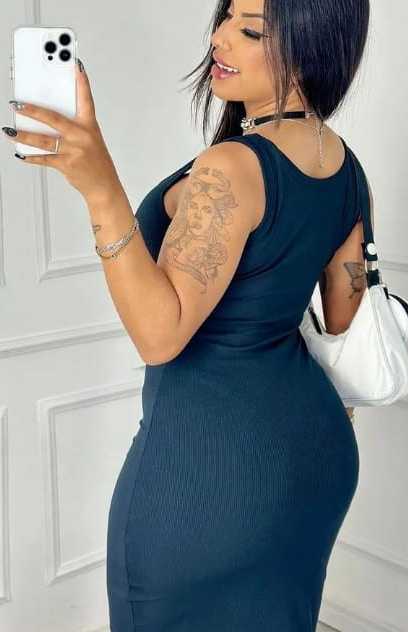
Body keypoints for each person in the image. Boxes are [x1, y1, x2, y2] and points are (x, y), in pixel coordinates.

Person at [106, 1, 372, 630]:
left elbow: (159, 337)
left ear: (309, 49)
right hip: (314, 456)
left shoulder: (230, 166)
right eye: (226, 16)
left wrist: (97, 185)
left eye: (250, 30)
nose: (220, 39)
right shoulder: (344, 166)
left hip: (203, 476)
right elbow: (343, 317)